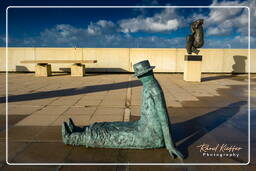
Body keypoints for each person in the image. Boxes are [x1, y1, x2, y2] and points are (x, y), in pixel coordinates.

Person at [62, 60, 184, 160]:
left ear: (142, 74)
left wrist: (169, 144)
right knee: (111, 126)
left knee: (110, 135)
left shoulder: (154, 88)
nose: (138, 78)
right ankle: (82, 130)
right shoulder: (149, 85)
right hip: (144, 126)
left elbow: (163, 116)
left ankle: (72, 138)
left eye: (138, 76)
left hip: (150, 135)